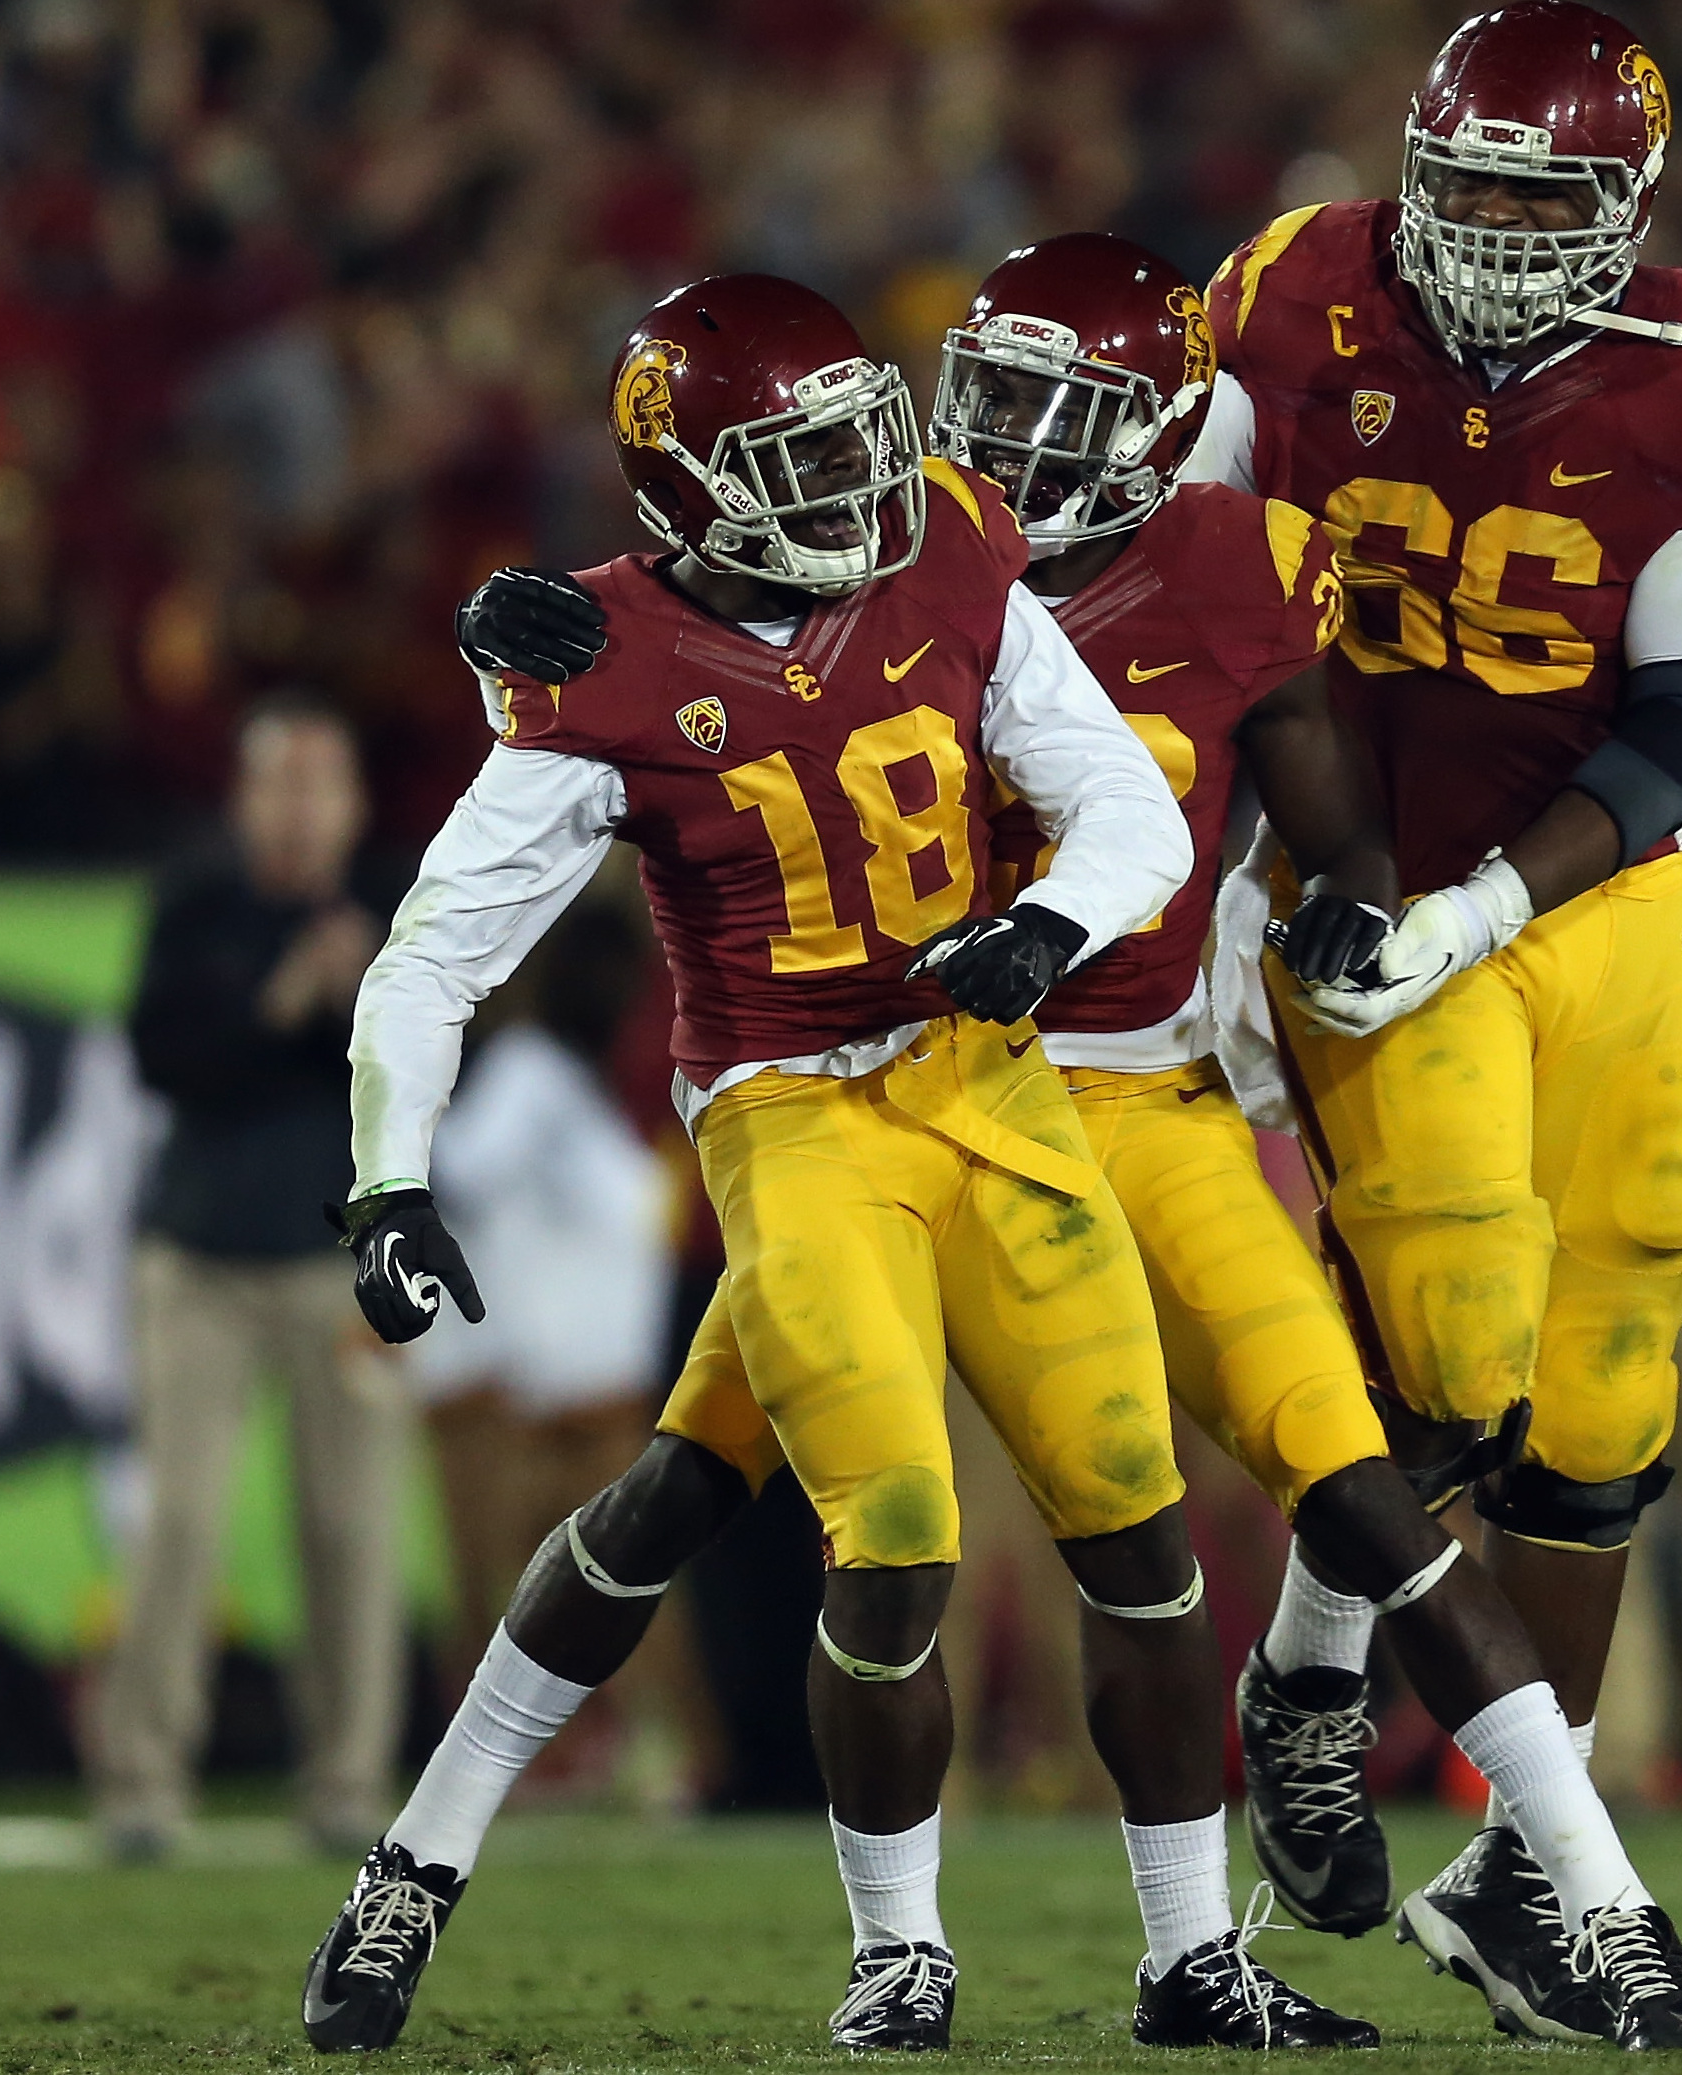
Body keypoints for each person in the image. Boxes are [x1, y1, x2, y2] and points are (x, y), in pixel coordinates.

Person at [297, 274, 1367, 2055]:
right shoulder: (605, 667)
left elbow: (1111, 793)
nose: (867, 485)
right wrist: (389, 1176)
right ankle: (889, 1950)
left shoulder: (947, 543)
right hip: (790, 1118)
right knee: (896, 1538)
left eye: (864, 438)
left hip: (992, 1086)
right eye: (802, 462)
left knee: (1129, 1525)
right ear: (691, 491)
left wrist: (1041, 927)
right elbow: (433, 956)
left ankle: (1189, 1960)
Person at [1186, 0, 1682, 2032]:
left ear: (1625, 211)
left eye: (1531, 197)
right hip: (1363, 869)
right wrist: (1213, 873)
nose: (1476, 225)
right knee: (1452, 1341)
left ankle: (1516, 1885)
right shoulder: (1298, 292)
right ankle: (1305, 1676)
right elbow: (1190, 588)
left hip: (1590, 887)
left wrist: (1497, 903)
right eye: (1456, 179)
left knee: (1606, 1386)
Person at [95, 697, 407, 1861]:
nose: (298, 806)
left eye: (320, 782)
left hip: (341, 1266)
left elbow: (440, 1082)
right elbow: (160, 1057)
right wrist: (282, 993)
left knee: (350, 1526)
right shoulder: (196, 903)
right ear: (243, 799)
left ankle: (344, 1781)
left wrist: (363, 1001)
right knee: (178, 1521)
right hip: (201, 1263)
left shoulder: (396, 908)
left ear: (353, 803)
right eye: (279, 782)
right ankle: (140, 1781)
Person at [409, 901, 697, 1801]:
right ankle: (501, 1771)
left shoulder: (617, 1092)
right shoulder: (535, 1078)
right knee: (502, 1595)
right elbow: (452, 1173)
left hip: (601, 1398)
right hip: (520, 1398)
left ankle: (652, 1756)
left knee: (609, 1600)